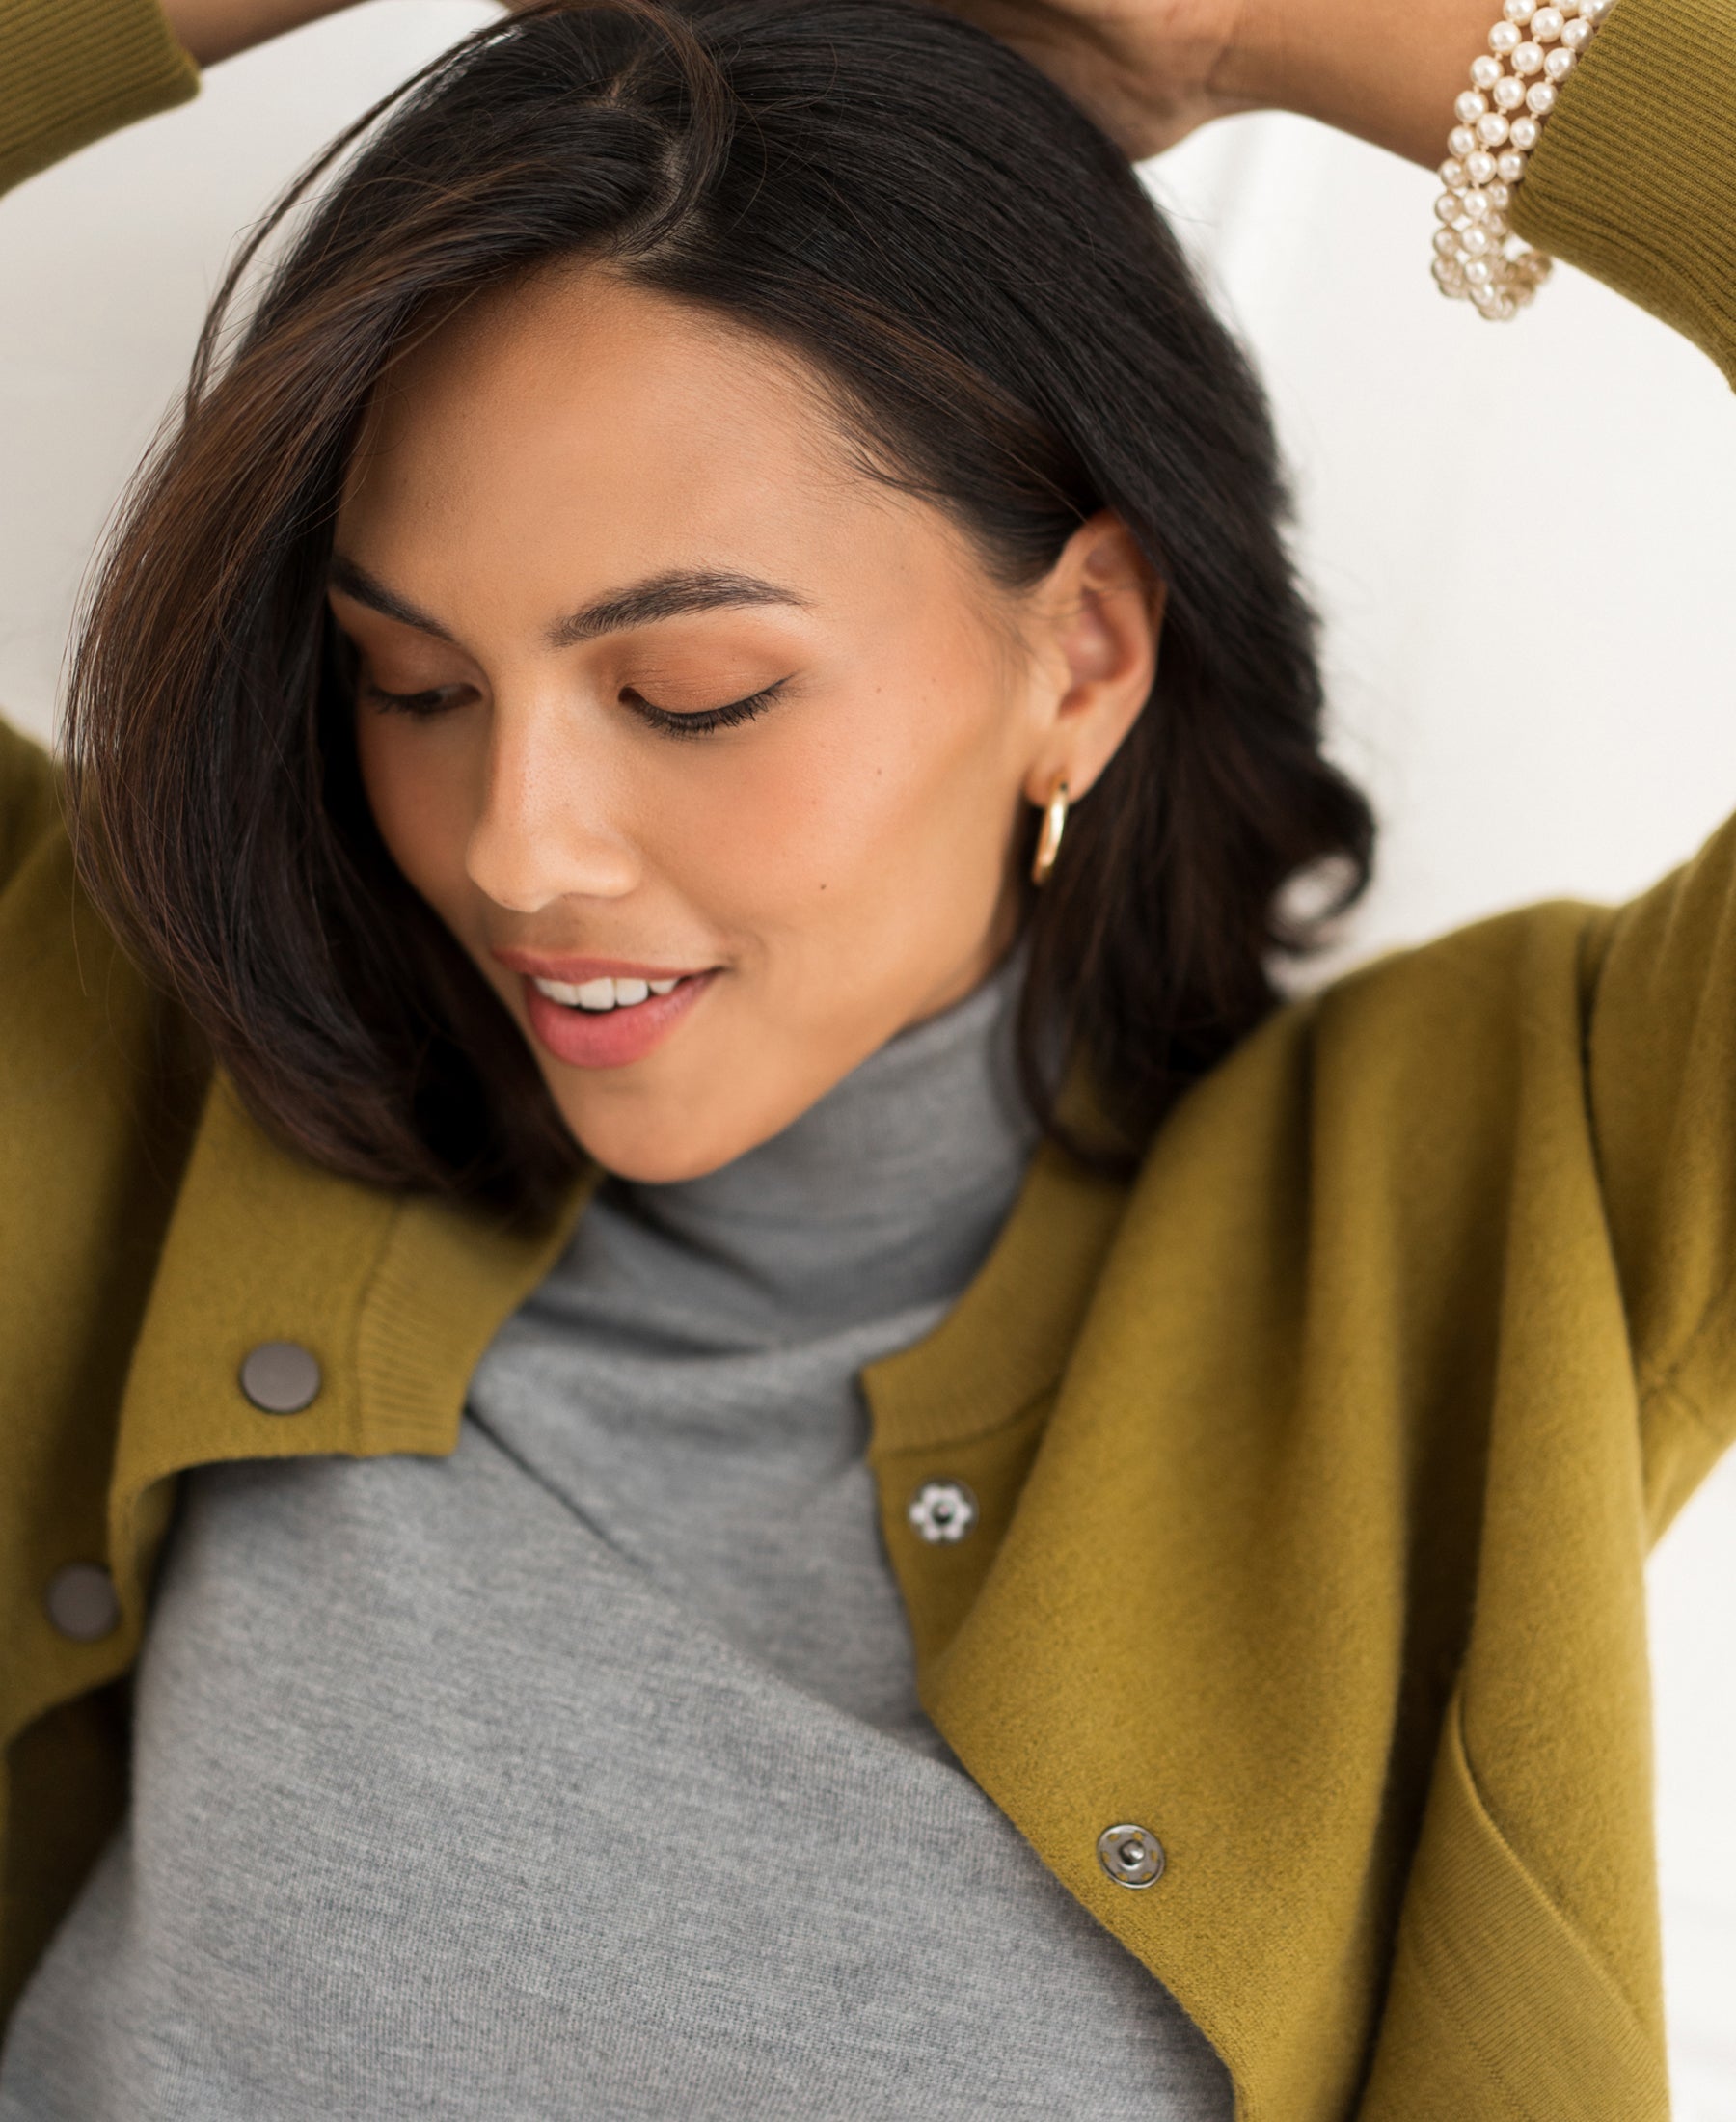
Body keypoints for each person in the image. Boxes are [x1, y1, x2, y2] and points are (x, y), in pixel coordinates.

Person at [0, 0, 1728, 2112]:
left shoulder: (1504, 1190)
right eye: (414, 683)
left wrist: (1278, 23)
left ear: (1081, 654)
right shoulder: (130, 1033)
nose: (515, 845)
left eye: (697, 690)